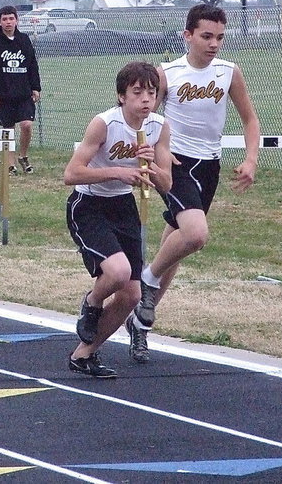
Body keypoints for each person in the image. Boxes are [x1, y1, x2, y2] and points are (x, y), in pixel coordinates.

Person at [125, 4, 260, 363]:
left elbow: (249, 118)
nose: (214, 44)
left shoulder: (228, 72)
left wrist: (250, 159)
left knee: (176, 246)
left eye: (220, 37)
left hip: (209, 167)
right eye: (206, 36)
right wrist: (155, 154)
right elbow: (140, 115)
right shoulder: (167, 73)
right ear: (187, 36)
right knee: (196, 234)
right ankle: (148, 283)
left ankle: (140, 322)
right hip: (176, 165)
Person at [65, 61, 172, 378]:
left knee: (132, 294)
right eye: (137, 92)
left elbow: (166, 183)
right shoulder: (105, 124)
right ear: (121, 96)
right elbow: (70, 174)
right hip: (89, 204)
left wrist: (154, 169)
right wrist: (118, 172)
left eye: (151, 93)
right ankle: (92, 301)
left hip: (123, 207)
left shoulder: (158, 127)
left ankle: (84, 354)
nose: (145, 100)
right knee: (118, 271)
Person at [0, 5, 41, 176]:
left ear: (17, 20)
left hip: (24, 93)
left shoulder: (24, 40)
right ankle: (10, 163)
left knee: (27, 125)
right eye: (4, 19)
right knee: (8, 130)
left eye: (11, 18)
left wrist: (36, 87)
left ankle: (23, 156)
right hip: (3, 95)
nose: (8, 22)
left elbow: (32, 65)